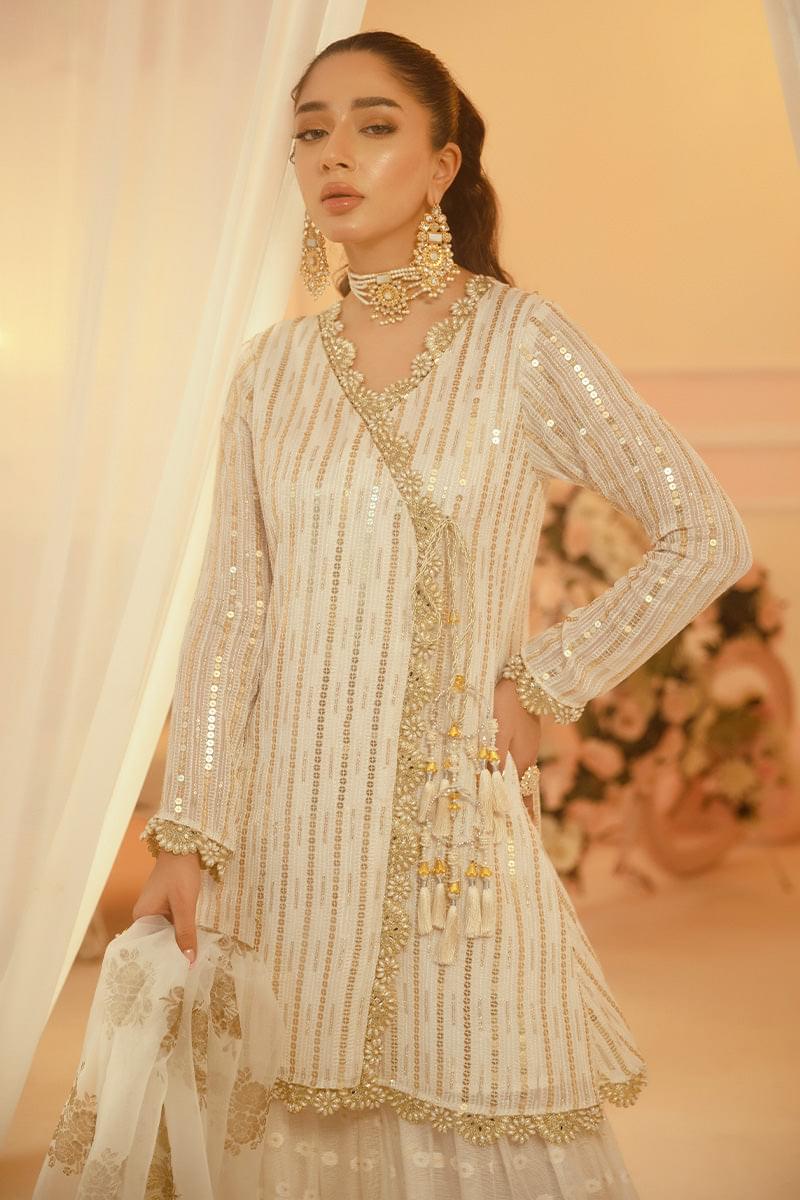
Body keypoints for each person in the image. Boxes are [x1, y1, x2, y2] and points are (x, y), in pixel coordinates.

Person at [39, 29, 753, 1200]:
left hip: (447, 826)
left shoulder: (519, 342)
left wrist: (544, 678)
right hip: (285, 833)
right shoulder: (270, 373)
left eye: (373, 127)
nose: (333, 153)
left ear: (440, 165)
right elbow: (231, 614)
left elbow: (703, 529)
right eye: (309, 132)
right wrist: (185, 833)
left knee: (476, 1090)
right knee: (281, 1111)